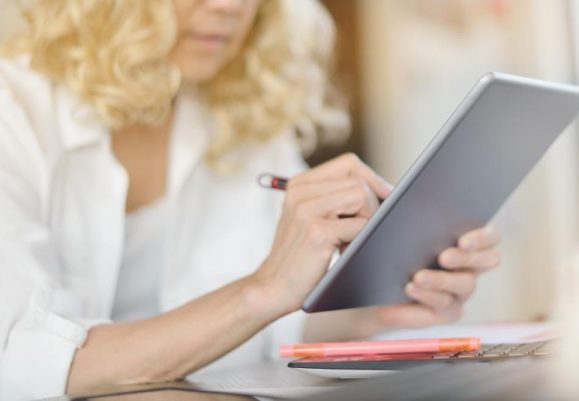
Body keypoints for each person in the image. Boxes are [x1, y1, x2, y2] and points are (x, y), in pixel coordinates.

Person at [0, 0, 502, 399]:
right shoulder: (14, 112)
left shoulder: (239, 113)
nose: (230, 6)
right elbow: (18, 358)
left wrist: (380, 303)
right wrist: (261, 289)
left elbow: (275, 325)